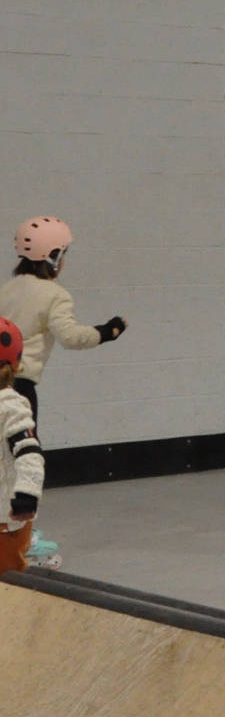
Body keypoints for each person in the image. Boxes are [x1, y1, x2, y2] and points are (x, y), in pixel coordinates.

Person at [0, 216, 127, 424]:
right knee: (24, 449)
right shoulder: (55, 295)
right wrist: (106, 332)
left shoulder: (7, 289)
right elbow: (70, 337)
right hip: (18, 387)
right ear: (53, 257)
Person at [0, 316, 52, 572]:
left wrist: (26, 496)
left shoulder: (10, 405)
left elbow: (29, 452)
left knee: (7, 582)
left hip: (5, 519)